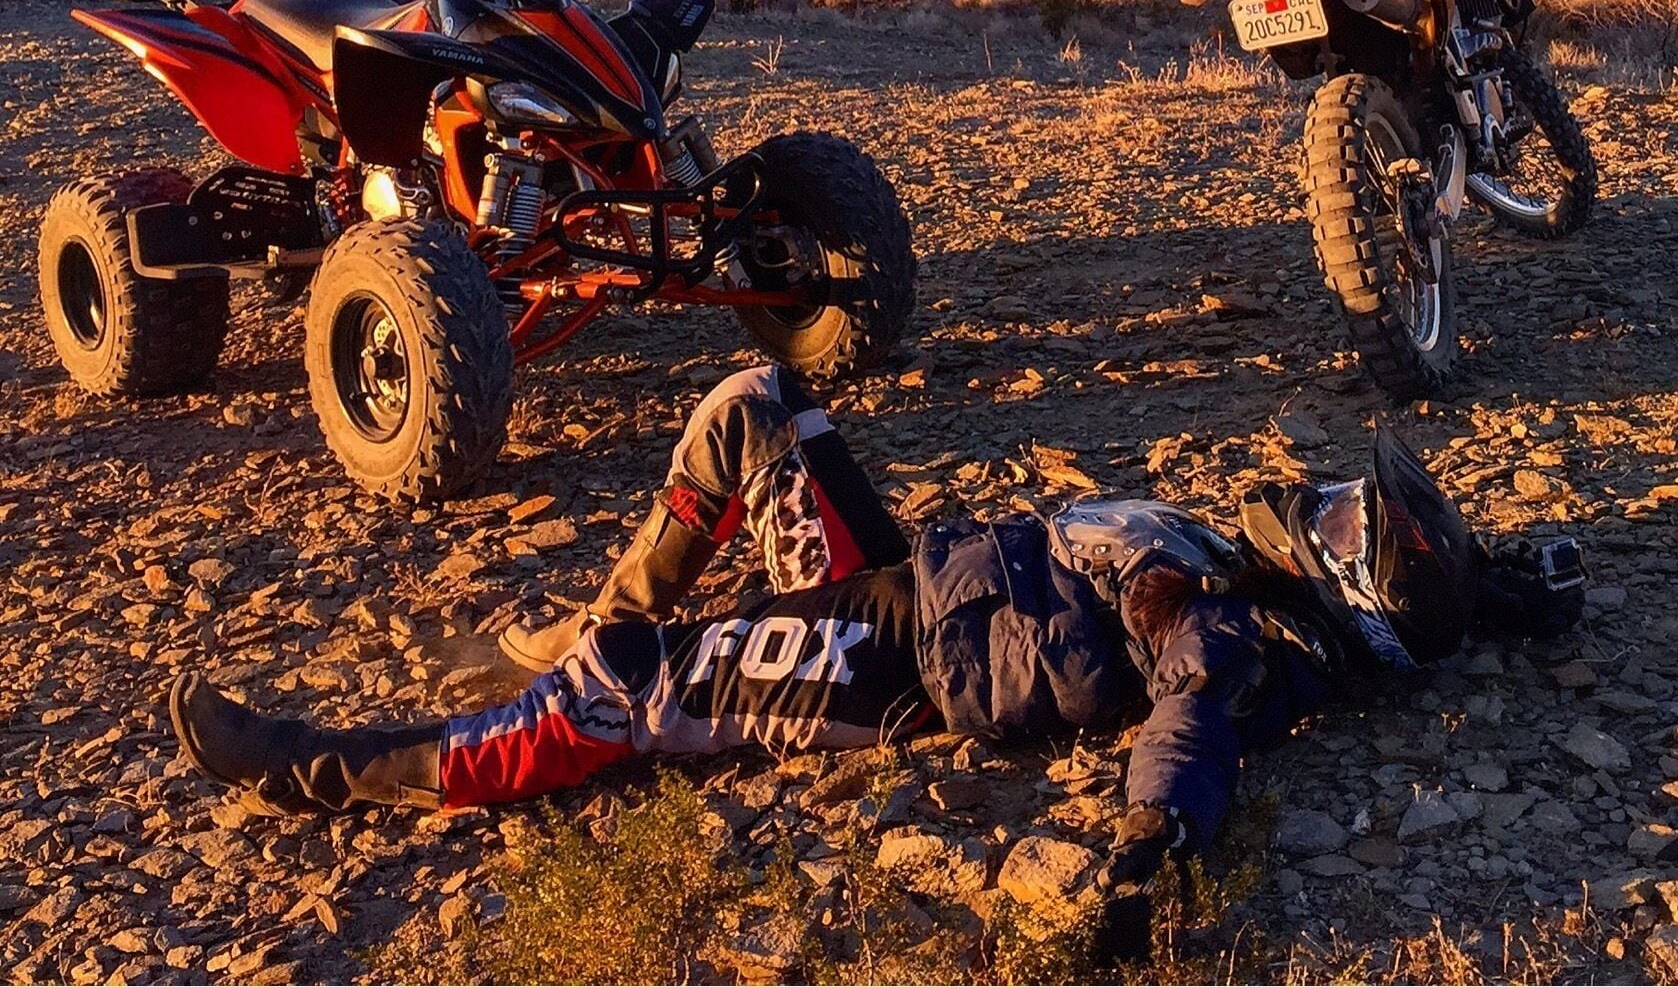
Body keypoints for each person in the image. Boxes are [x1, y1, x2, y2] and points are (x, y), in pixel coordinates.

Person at [167, 363, 1584, 928]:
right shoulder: (1229, 564)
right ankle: (627, 613)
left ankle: (323, 770)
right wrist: (1511, 590)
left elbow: (1194, 715)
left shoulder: (1214, 622)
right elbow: (1425, 618)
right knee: (757, 411)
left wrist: (1152, 849)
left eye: (1342, 513)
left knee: (622, 703)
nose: (1320, 496)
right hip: (907, 578)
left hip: (886, 668)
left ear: (1342, 582)